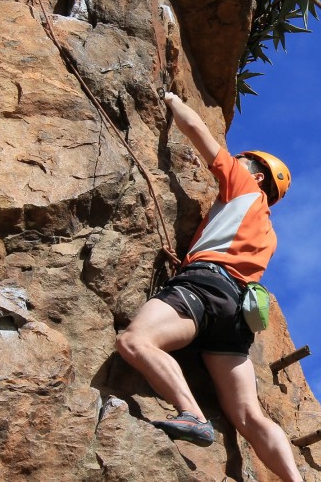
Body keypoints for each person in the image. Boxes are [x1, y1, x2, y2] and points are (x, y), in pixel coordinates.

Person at [115, 92, 301, 482]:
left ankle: (192, 414)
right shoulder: (267, 231)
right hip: (236, 315)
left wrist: (169, 98)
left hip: (205, 286)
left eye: (245, 162)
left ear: (259, 175)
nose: (238, 163)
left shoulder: (245, 188)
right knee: (249, 414)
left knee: (136, 342)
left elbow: (197, 129)